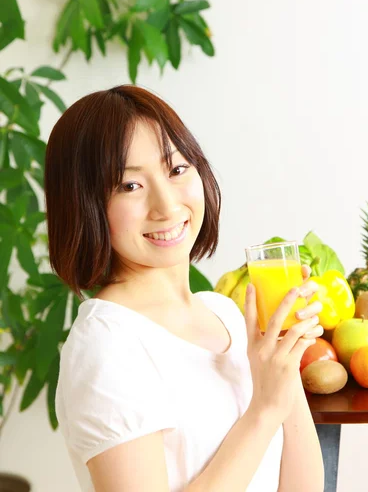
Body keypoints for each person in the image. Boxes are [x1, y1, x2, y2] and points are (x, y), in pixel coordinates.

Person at [45, 84, 324, 492]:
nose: (167, 205)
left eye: (177, 170)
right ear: (84, 204)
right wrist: (263, 410)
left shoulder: (225, 313)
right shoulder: (106, 345)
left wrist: (285, 365)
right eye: (129, 185)